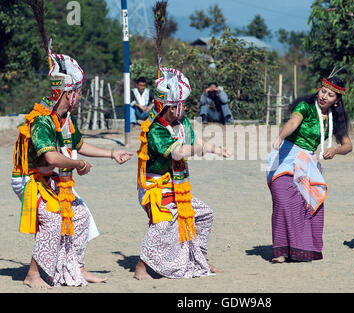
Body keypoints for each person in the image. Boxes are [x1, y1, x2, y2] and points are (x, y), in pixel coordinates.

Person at [11, 50, 133, 288]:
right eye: (76, 92)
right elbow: (51, 156)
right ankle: (33, 275)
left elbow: (78, 144)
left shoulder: (65, 117)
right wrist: (78, 164)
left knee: (80, 215)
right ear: (67, 93)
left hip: (49, 178)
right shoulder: (42, 120)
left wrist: (111, 153)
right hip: (28, 180)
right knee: (53, 219)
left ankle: (76, 267)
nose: (78, 96)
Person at [134, 67, 232, 279]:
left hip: (177, 186)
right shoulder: (155, 129)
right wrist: (198, 150)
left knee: (205, 214)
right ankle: (141, 266)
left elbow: (195, 140)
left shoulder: (182, 122)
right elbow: (177, 153)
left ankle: (199, 260)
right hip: (155, 187)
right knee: (163, 222)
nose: (186, 107)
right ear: (171, 108)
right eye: (183, 104)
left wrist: (216, 149)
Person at [266, 75, 352, 262]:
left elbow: (348, 145)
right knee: (283, 200)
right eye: (323, 91)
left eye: (330, 95)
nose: (324, 96)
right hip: (286, 156)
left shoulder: (335, 118)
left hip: (308, 163)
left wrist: (335, 150)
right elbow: (293, 122)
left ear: (337, 101)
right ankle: (281, 251)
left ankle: (302, 248)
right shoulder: (305, 106)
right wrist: (281, 136)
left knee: (310, 203)